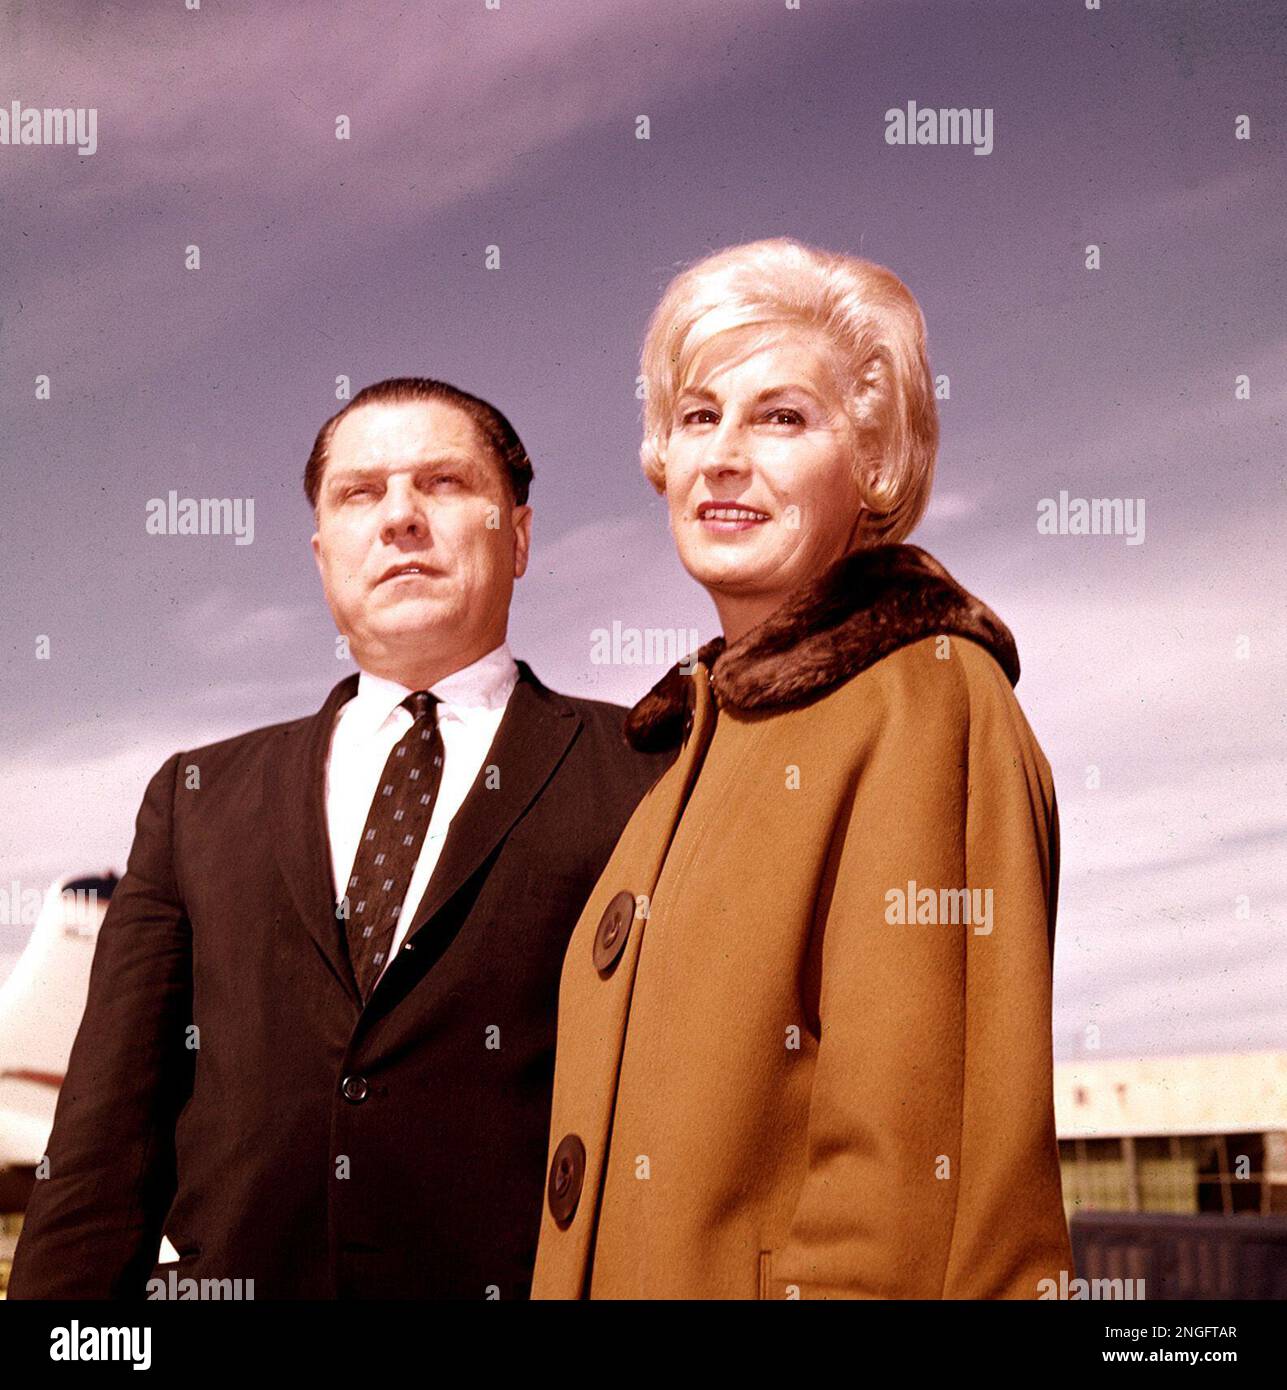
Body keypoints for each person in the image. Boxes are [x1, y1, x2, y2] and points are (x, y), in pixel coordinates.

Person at [9, 377, 666, 1299]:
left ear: (517, 537)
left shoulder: (652, 769)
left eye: (441, 483)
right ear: (323, 554)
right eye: (359, 493)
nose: (399, 517)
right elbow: (102, 1140)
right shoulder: (194, 798)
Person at [531, 239, 1073, 1299]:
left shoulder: (924, 699)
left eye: (782, 417)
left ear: (874, 464)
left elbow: (921, 1203)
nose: (725, 455)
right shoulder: (696, 748)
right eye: (698, 416)